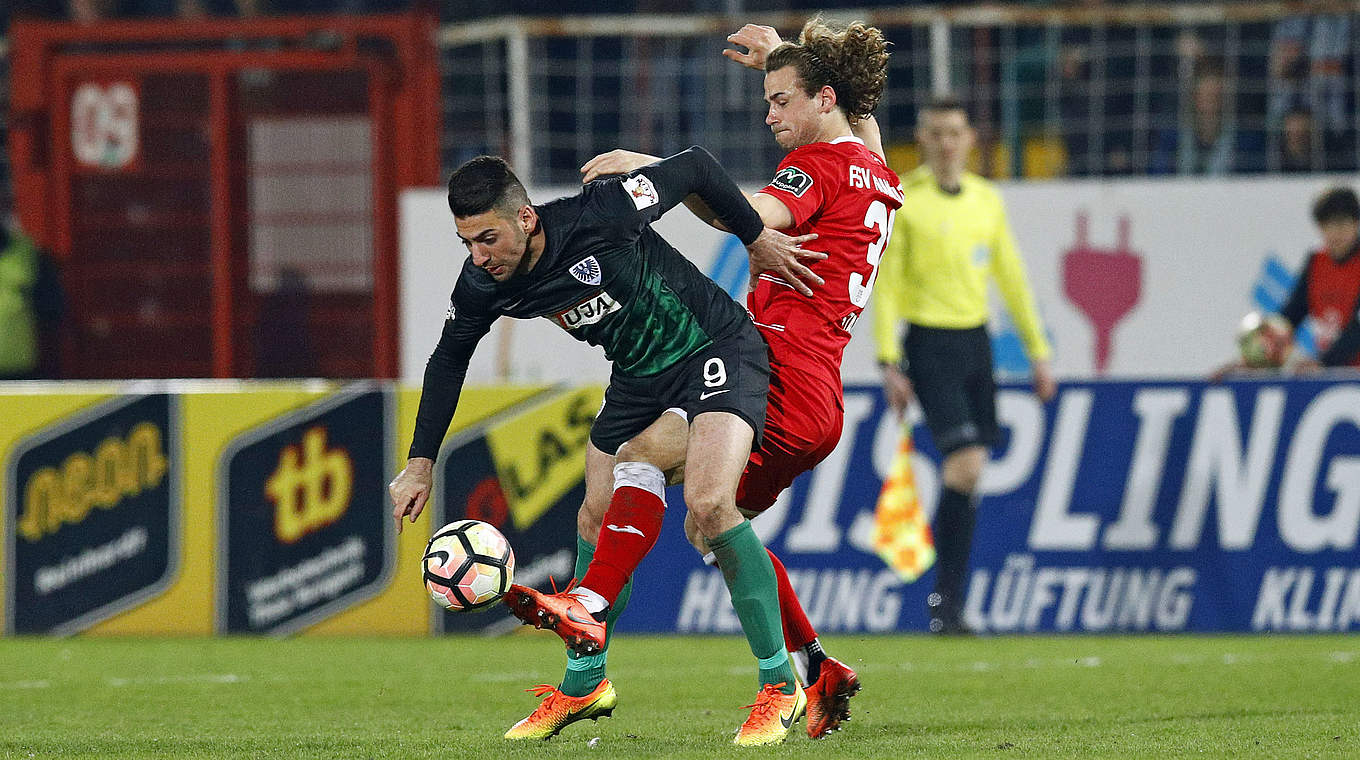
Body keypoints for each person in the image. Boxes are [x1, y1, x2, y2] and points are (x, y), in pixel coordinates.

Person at [387, 149, 821, 745]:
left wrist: (755, 238)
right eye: (467, 243)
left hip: (714, 348)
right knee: (593, 514)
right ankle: (584, 683)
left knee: (710, 503)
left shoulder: (604, 213)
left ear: (526, 219)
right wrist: (419, 464)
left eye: (487, 238)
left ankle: (780, 685)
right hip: (638, 376)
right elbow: (447, 360)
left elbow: (695, 167)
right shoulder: (484, 283)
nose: (478, 257)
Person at [571, 17, 899, 740]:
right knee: (712, 526)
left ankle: (588, 623)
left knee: (649, 463)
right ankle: (815, 666)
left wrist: (648, 165)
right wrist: (782, 55)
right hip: (818, 392)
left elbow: (747, 215)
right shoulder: (873, 164)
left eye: (781, 100)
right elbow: (857, 116)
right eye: (768, 98)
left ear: (822, 98)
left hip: (776, 377)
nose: (769, 113)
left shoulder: (814, 167)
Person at [873, 96, 1056, 635]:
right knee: (967, 465)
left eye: (955, 132)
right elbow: (888, 282)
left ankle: (948, 602)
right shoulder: (905, 198)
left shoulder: (986, 201)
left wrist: (1038, 352)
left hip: (977, 343)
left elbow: (1013, 279)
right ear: (923, 140)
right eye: (936, 134)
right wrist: (888, 359)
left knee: (970, 474)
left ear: (971, 138)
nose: (947, 143)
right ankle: (946, 599)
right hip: (928, 344)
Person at [1278, 186, 1360, 369]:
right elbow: (1291, 315)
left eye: (1341, 224)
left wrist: (1323, 363)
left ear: (1355, 224)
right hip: (1332, 376)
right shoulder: (1316, 262)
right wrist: (1255, 355)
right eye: (1327, 225)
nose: (1335, 233)